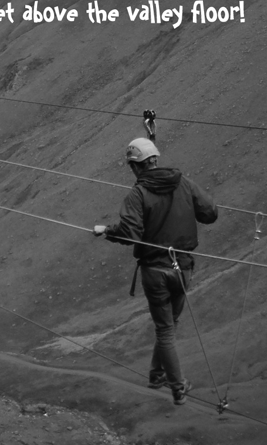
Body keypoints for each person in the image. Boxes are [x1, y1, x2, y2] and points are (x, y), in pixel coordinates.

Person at [93, 136, 218, 405]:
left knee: (165, 330)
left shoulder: (138, 194)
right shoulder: (183, 183)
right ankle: (156, 374)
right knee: (170, 325)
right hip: (183, 267)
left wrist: (107, 231)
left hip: (155, 271)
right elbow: (210, 213)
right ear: (155, 160)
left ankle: (177, 386)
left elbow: (130, 233)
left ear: (135, 166)